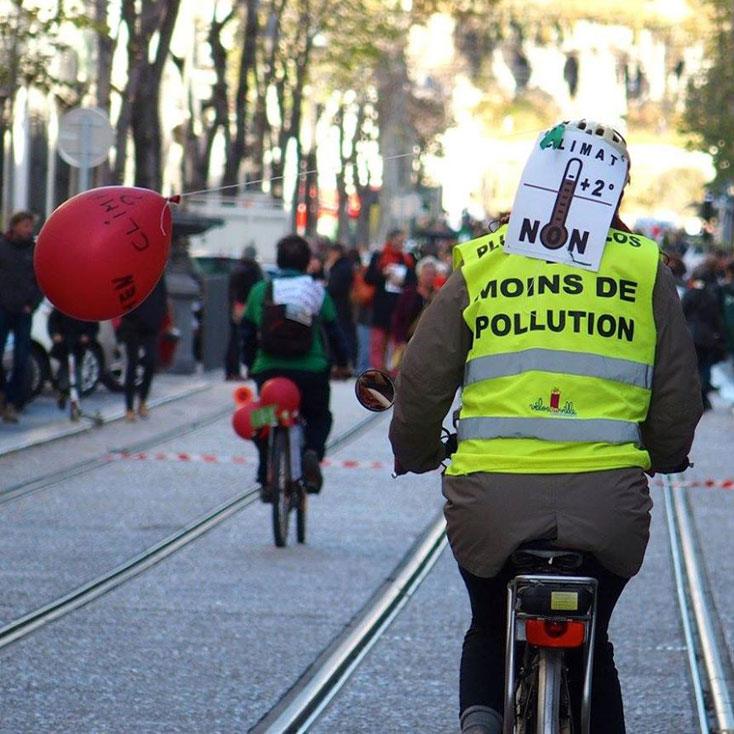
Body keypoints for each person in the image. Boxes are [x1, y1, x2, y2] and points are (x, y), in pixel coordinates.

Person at [388, 120, 703, 734]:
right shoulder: (644, 269)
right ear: (617, 192)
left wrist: (418, 450)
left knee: (487, 625)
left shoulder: (481, 262)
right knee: (598, 643)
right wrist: (664, 453)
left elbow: (422, 381)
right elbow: (677, 393)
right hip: (608, 505)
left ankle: (480, 722)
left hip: (489, 503)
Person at [240, 234, 350, 500]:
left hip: (270, 371)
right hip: (310, 369)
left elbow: (246, 332)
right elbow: (334, 332)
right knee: (319, 416)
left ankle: (266, 471)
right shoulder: (314, 290)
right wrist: (343, 363)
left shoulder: (261, 291)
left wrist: (251, 364)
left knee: (262, 418)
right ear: (306, 263)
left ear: (278, 261)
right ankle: (312, 450)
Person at [0, 210, 43, 423]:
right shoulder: (3, 247)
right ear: (15, 225)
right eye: (25, 225)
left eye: (30, 226)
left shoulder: (34, 251)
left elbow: (42, 281)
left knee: (21, 358)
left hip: (24, 312)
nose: (29, 230)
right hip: (2, 310)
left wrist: (32, 304)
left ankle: (12, 402)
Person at [117, 277, 168, 422]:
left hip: (151, 326)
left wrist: (158, 319)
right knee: (132, 365)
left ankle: (142, 400)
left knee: (151, 362)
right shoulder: (134, 272)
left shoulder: (158, 275)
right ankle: (129, 408)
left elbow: (162, 298)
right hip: (132, 325)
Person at [364, 229, 415, 370]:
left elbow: (412, 282)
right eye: (398, 241)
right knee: (377, 343)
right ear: (390, 240)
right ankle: (377, 372)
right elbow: (368, 277)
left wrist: (402, 282)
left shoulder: (407, 260)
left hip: (398, 308)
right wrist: (383, 275)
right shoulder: (379, 257)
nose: (400, 244)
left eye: (402, 242)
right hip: (381, 307)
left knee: (395, 344)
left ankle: (393, 373)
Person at [681, 259, 725, 411]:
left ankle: (696, 397)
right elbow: (718, 318)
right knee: (704, 369)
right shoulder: (712, 296)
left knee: (693, 368)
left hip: (692, 337)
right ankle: (702, 396)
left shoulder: (691, 294)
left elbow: (682, 312)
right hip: (707, 338)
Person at [389, 255, 439, 371]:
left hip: (429, 344)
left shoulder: (438, 296)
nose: (429, 277)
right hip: (408, 343)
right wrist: (400, 340)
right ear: (419, 274)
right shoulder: (408, 294)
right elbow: (398, 318)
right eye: (427, 273)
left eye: (432, 274)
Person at [47, 308, 99, 409]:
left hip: (78, 344)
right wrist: (55, 334)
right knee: (65, 370)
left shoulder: (85, 306)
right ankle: (62, 391)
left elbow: (93, 325)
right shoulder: (62, 306)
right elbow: (52, 321)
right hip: (64, 343)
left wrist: (88, 336)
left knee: (77, 370)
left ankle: (76, 398)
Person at [225, 245, 263, 380]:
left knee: (234, 340)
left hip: (237, 306)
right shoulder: (253, 270)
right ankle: (244, 370)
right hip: (246, 308)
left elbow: (233, 291)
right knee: (246, 339)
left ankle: (231, 371)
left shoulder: (237, 269)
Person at [325, 241, 356, 365]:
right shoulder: (346, 266)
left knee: (342, 332)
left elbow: (334, 288)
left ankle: (344, 361)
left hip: (339, 305)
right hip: (344, 305)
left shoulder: (340, 268)